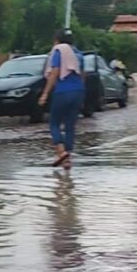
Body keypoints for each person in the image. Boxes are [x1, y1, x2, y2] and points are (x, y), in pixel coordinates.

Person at [39, 29, 84, 169]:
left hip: (63, 91)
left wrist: (45, 93)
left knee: (54, 123)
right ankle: (67, 160)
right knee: (70, 126)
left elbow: (55, 72)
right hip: (78, 91)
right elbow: (83, 75)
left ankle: (61, 152)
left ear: (57, 40)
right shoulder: (78, 54)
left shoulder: (59, 51)